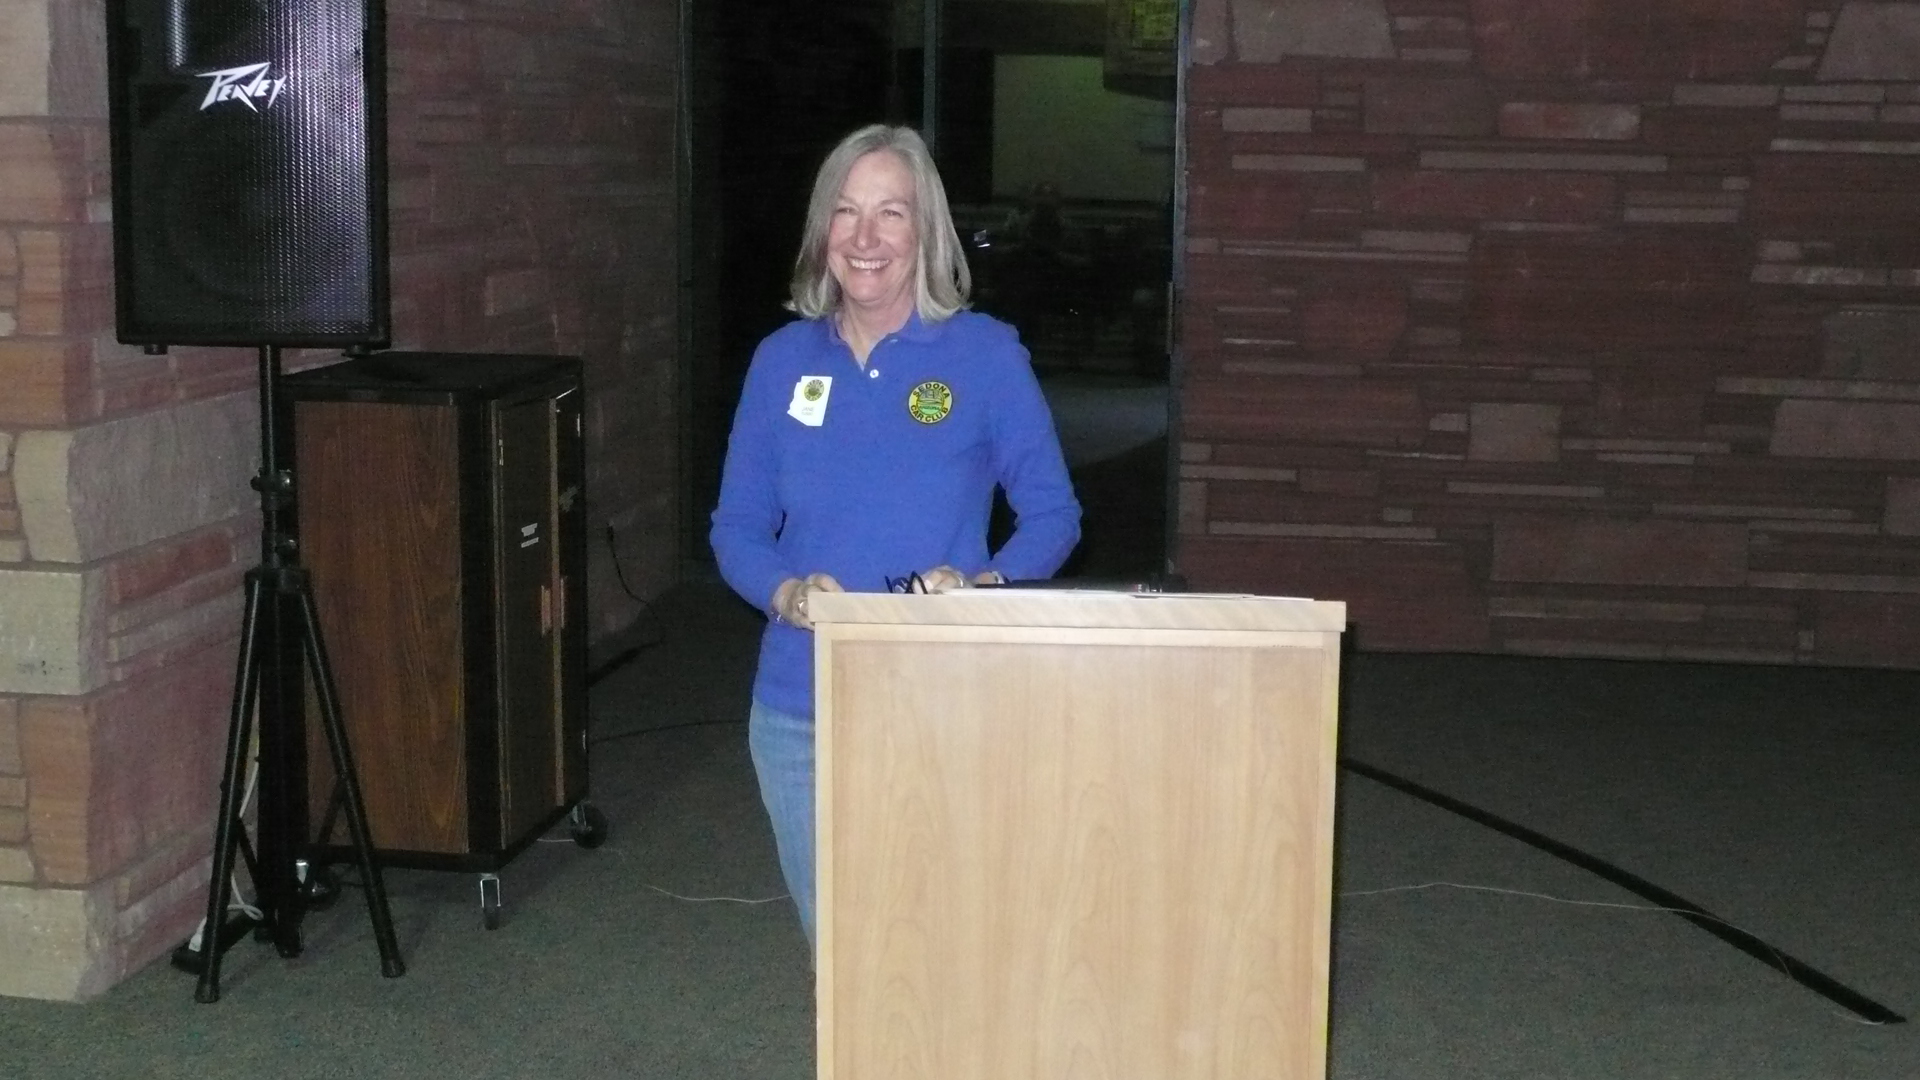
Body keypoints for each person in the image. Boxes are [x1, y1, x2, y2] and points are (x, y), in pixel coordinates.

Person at [709, 124, 1082, 953]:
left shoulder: (986, 355)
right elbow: (736, 526)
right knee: (843, 959)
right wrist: (785, 592)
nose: (865, 237)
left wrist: (984, 587)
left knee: (943, 944)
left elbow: (1054, 514)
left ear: (926, 231)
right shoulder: (780, 361)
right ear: (823, 230)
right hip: (800, 706)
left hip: (946, 699)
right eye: (846, 212)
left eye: (891, 212)